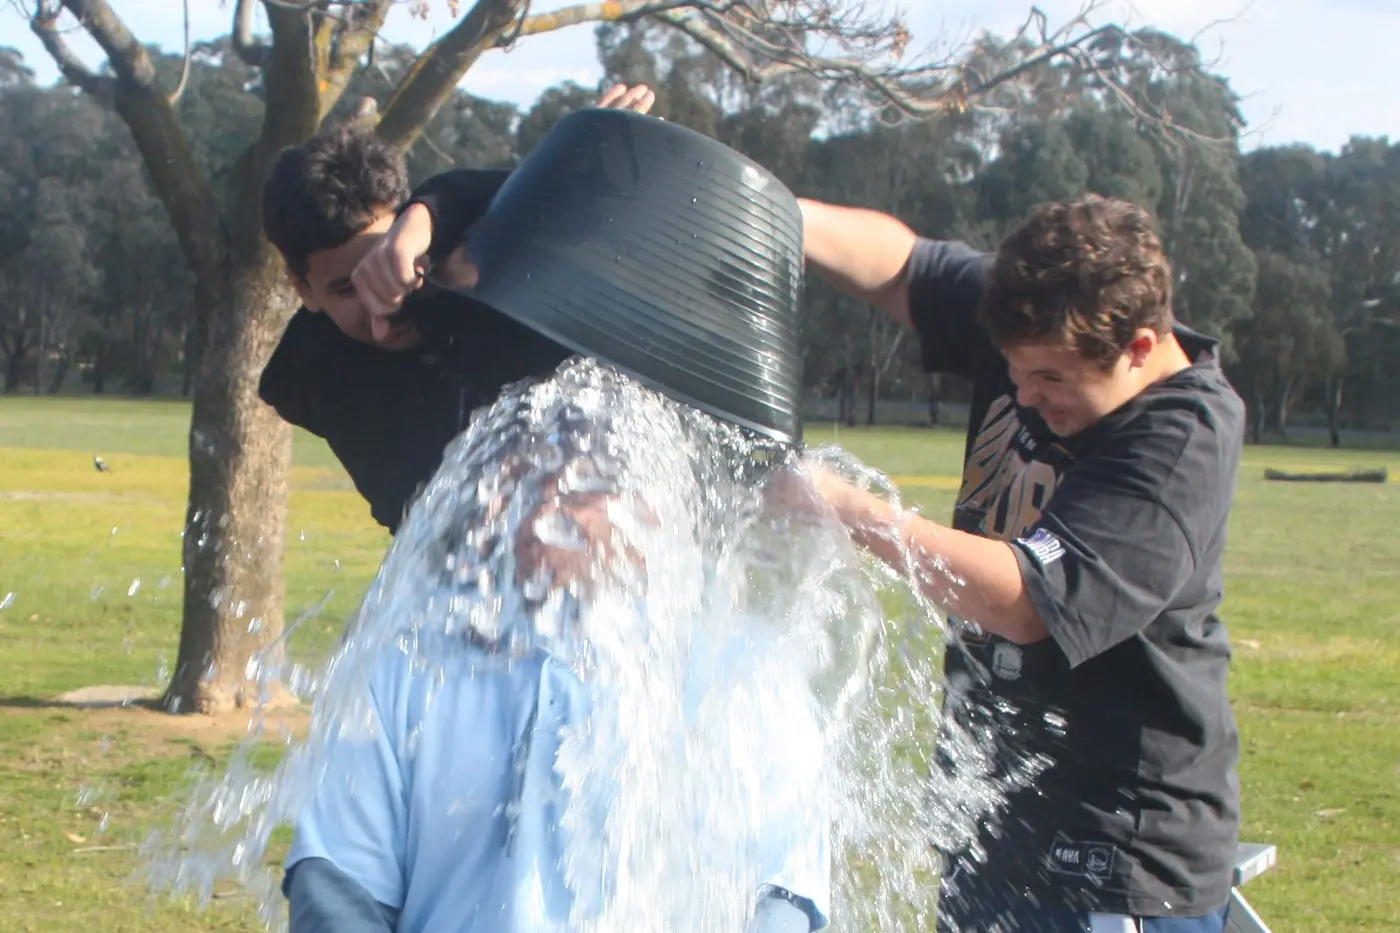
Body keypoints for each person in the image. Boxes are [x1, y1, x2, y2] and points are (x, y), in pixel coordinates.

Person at [795, 194, 1244, 932]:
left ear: (1137, 347)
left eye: (1052, 380)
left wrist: (842, 505)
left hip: (1108, 864)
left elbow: (1026, 602)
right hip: (994, 829)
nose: (1025, 397)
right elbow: (902, 266)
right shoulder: (1041, 315)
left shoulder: (1182, 436)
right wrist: (757, 204)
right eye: (1012, 370)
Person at [284, 376, 832, 933]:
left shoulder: (742, 674)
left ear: (651, 508)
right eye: (521, 480)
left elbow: (781, 897)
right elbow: (339, 886)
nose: (537, 511)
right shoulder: (411, 660)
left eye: (574, 489)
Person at [257, 84, 656, 534]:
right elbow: (439, 511)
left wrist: (422, 219)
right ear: (303, 290)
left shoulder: (454, 255)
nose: (380, 312)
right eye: (347, 290)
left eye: (388, 267)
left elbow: (484, 196)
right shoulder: (323, 376)